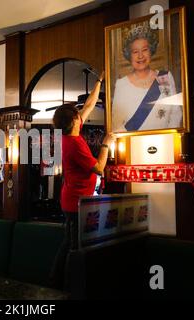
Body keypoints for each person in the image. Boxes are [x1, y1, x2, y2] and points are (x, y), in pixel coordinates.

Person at [50, 71, 116, 289]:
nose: (82, 114)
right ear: (74, 121)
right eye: (78, 114)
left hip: (73, 200)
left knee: (70, 243)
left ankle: (59, 283)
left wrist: (99, 80)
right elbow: (99, 169)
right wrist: (106, 143)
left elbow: (89, 105)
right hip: (76, 202)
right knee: (73, 246)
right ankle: (63, 286)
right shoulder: (75, 144)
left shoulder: (68, 136)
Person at [112, 24, 181, 132]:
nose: (140, 56)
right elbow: (116, 125)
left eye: (144, 50)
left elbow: (176, 113)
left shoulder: (165, 77)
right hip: (133, 144)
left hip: (165, 142)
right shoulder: (122, 84)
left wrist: (168, 137)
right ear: (129, 55)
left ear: (151, 50)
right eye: (135, 52)